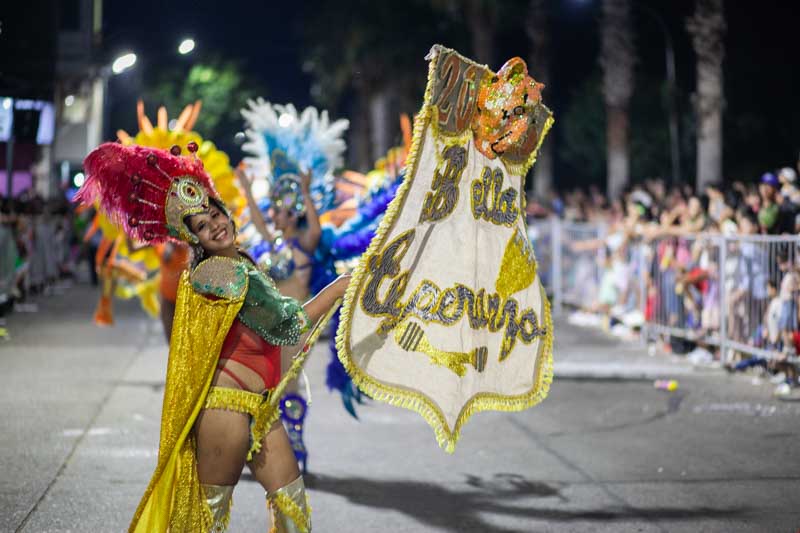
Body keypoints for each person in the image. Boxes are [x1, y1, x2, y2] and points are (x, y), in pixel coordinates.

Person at [76, 141, 349, 532]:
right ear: (196, 240)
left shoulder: (241, 262)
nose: (214, 226)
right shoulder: (220, 273)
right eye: (202, 227)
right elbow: (287, 324)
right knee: (208, 522)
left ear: (225, 211)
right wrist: (337, 288)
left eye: (215, 214)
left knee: (293, 513)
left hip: (261, 407)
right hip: (226, 411)